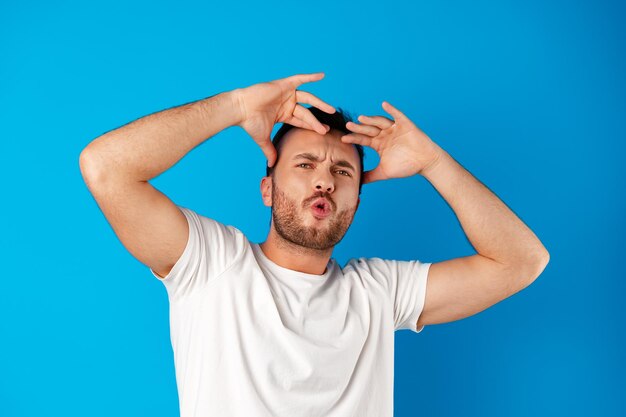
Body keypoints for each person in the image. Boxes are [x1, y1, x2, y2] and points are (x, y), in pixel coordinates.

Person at [79, 72, 550, 417]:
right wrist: (237, 106)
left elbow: (521, 261)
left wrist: (433, 162)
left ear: (356, 201)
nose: (324, 180)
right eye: (304, 164)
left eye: (342, 172)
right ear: (268, 189)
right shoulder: (210, 262)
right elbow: (105, 167)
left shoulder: (378, 291)